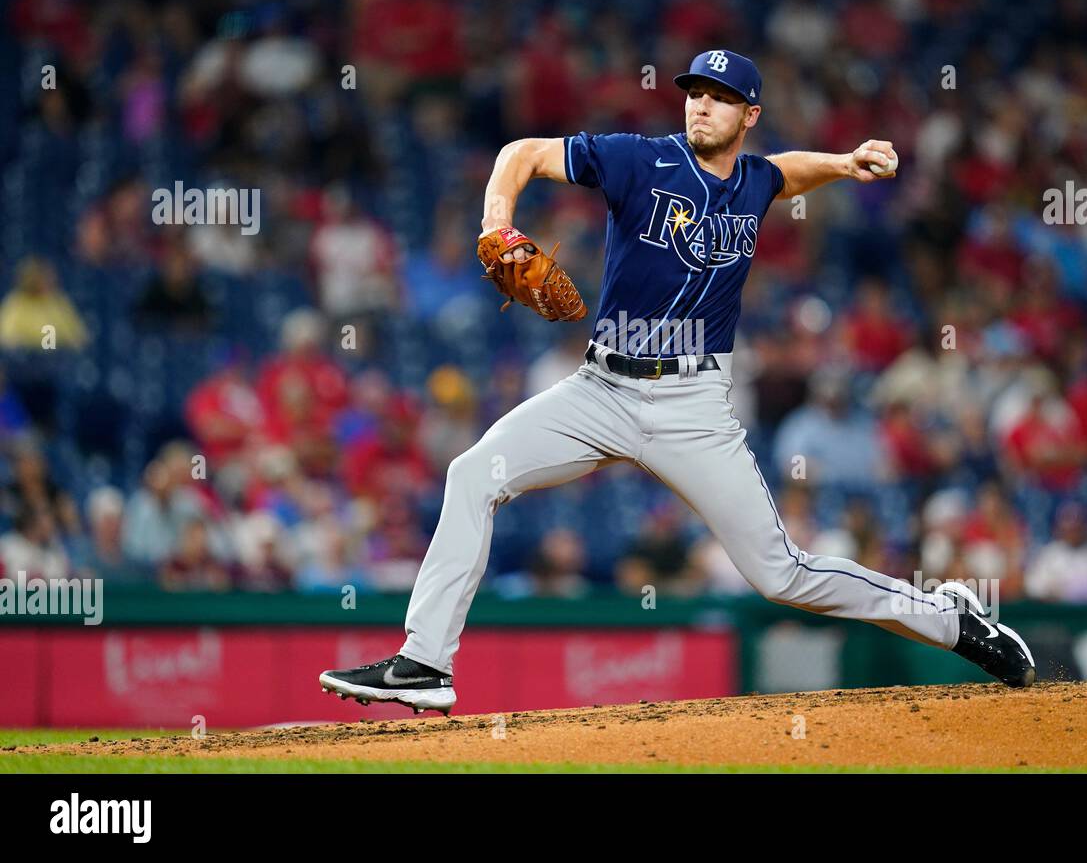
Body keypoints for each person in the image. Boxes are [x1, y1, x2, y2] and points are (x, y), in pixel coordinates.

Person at [320, 49, 1035, 713]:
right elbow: (523, 153)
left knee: (779, 574)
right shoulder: (638, 160)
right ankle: (426, 663)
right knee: (474, 473)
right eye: (695, 92)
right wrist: (496, 222)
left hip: (692, 405)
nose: (701, 106)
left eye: (721, 98)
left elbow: (788, 172)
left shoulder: (755, 180)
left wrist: (845, 164)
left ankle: (950, 620)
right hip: (598, 391)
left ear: (748, 114)